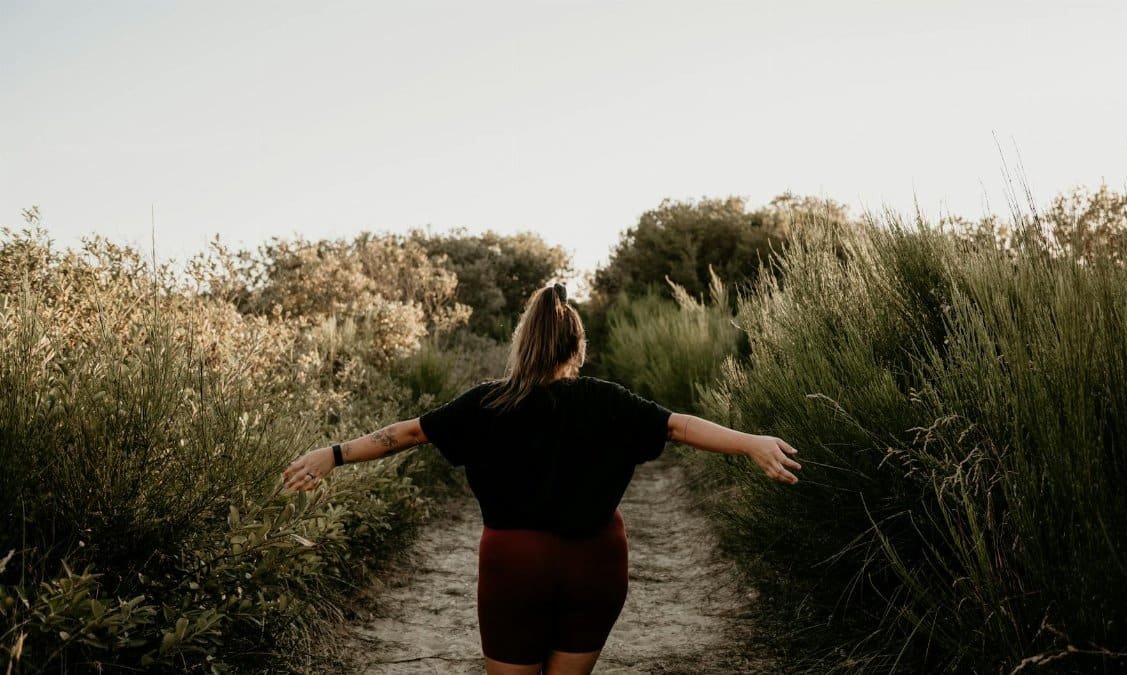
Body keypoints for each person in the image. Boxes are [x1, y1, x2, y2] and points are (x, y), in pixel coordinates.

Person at [282, 282, 802, 675]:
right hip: (597, 558)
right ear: (577, 346)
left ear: (522, 342)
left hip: (514, 563)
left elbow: (407, 433)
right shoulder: (606, 400)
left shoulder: (485, 402)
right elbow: (680, 426)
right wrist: (751, 442)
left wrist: (333, 454)